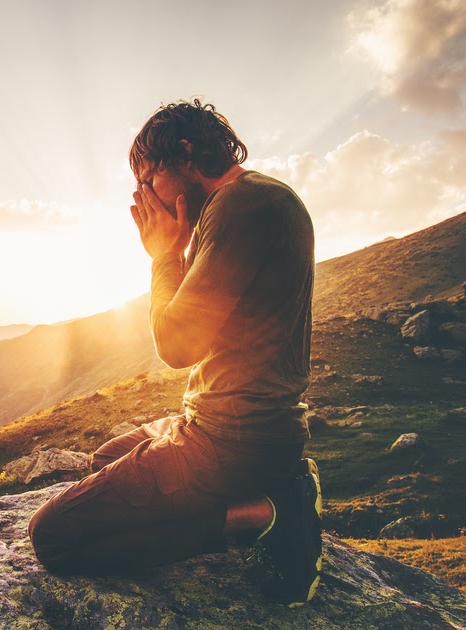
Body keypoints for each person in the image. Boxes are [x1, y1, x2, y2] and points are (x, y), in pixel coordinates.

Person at [27, 99, 322, 607]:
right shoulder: (254, 201)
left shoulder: (241, 207)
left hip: (233, 441)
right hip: (243, 430)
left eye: (147, 178)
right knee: (105, 459)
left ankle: (268, 512)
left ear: (184, 153)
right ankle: (277, 487)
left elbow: (178, 345)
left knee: (53, 536)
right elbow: (206, 321)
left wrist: (164, 256)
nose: (144, 196)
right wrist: (180, 251)